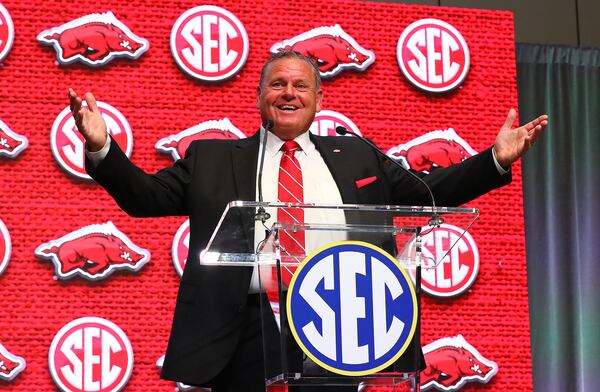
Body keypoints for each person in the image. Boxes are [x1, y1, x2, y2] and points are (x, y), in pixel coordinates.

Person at [68, 50, 547, 392]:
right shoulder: (213, 158)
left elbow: (429, 193)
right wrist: (101, 148)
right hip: (246, 325)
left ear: (318, 100)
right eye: (277, 84)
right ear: (260, 98)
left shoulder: (356, 154)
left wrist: (495, 160)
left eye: (301, 86)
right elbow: (144, 197)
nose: (289, 93)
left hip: (339, 321)